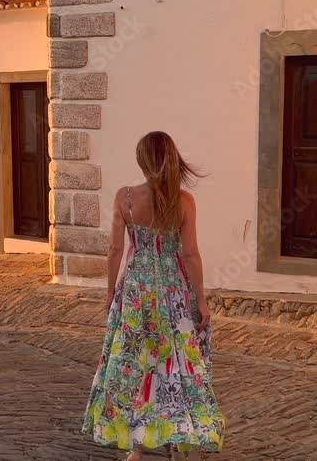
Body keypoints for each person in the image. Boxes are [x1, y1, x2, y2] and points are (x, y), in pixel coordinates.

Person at [83, 131, 226, 460]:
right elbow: (190, 254)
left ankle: (137, 448)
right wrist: (200, 299)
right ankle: (177, 443)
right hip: (173, 292)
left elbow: (115, 249)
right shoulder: (183, 201)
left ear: (142, 162)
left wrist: (109, 292)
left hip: (135, 291)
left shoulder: (126, 198)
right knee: (174, 363)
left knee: (135, 363)